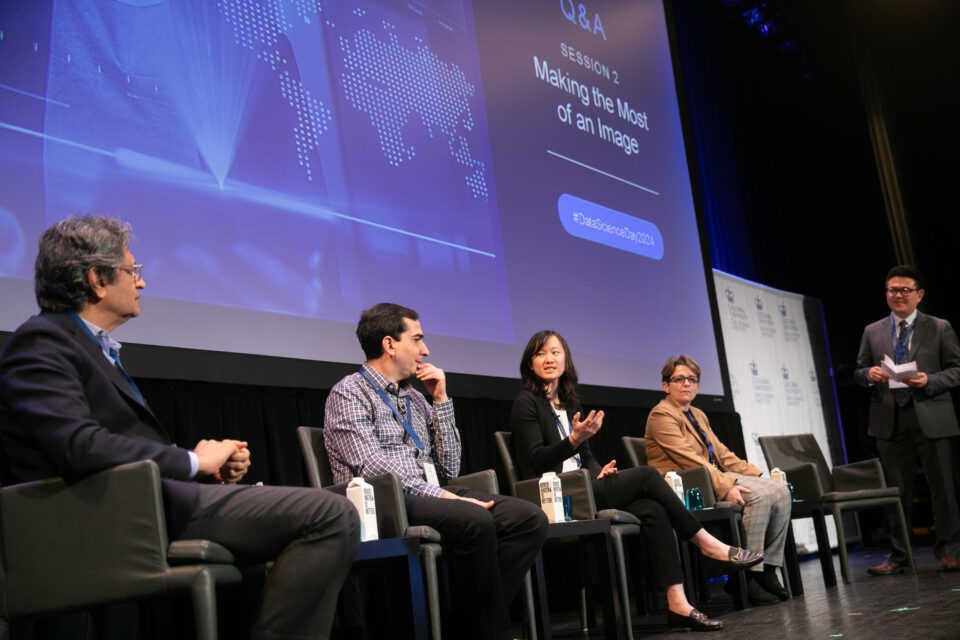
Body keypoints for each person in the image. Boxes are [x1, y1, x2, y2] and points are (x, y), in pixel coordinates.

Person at [0, 216, 360, 640]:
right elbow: (78, 446)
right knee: (331, 514)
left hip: (147, 502)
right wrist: (190, 461)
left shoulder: (84, 344)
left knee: (297, 534)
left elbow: (115, 443)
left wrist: (203, 464)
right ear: (98, 279)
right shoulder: (43, 341)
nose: (143, 283)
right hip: (117, 518)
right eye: (133, 272)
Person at [510, 331, 764, 631]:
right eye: (540, 354)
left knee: (652, 509)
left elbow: (586, 458)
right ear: (530, 363)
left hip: (583, 488)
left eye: (554, 352)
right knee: (647, 474)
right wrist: (574, 438)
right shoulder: (526, 403)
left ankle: (678, 604)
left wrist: (599, 471)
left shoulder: (569, 404)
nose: (549, 359)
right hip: (556, 497)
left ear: (566, 358)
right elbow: (536, 460)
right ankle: (707, 543)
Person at [323, 303, 548, 640]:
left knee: (529, 519)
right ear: (390, 344)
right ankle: (489, 632)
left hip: (430, 492)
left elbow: (449, 467)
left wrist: (441, 400)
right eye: (417, 340)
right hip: (385, 501)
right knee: (474, 520)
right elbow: (372, 467)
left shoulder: (415, 398)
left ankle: (467, 625)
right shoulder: (349, 392)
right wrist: (443, 495)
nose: (425, 350)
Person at [645, 355, 792, 606]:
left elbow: (721, 454)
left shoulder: (698, 414)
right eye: (678, 379)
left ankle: (766, 568)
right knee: (757, 496)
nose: (686, 384)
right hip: (688, 484)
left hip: (709, 475)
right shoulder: (661, 415)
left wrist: (756, 474)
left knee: (779, 491)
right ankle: (745, 576)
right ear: (665, 385)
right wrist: (727, 486)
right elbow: (690, 460)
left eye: (692, 379)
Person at [854, 265, 960, 574]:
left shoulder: (940, 327)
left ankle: (950, 550)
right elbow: (859, 371)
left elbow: (956, 369)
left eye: (904, 290)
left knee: (942, 488)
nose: (897, 295)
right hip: (890, 418)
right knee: (896, 491)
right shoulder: (872, 331)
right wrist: (869, 375)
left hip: (931, 414)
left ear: (919, 295)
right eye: (892, 290)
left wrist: (930, 379)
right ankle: (899, 556)